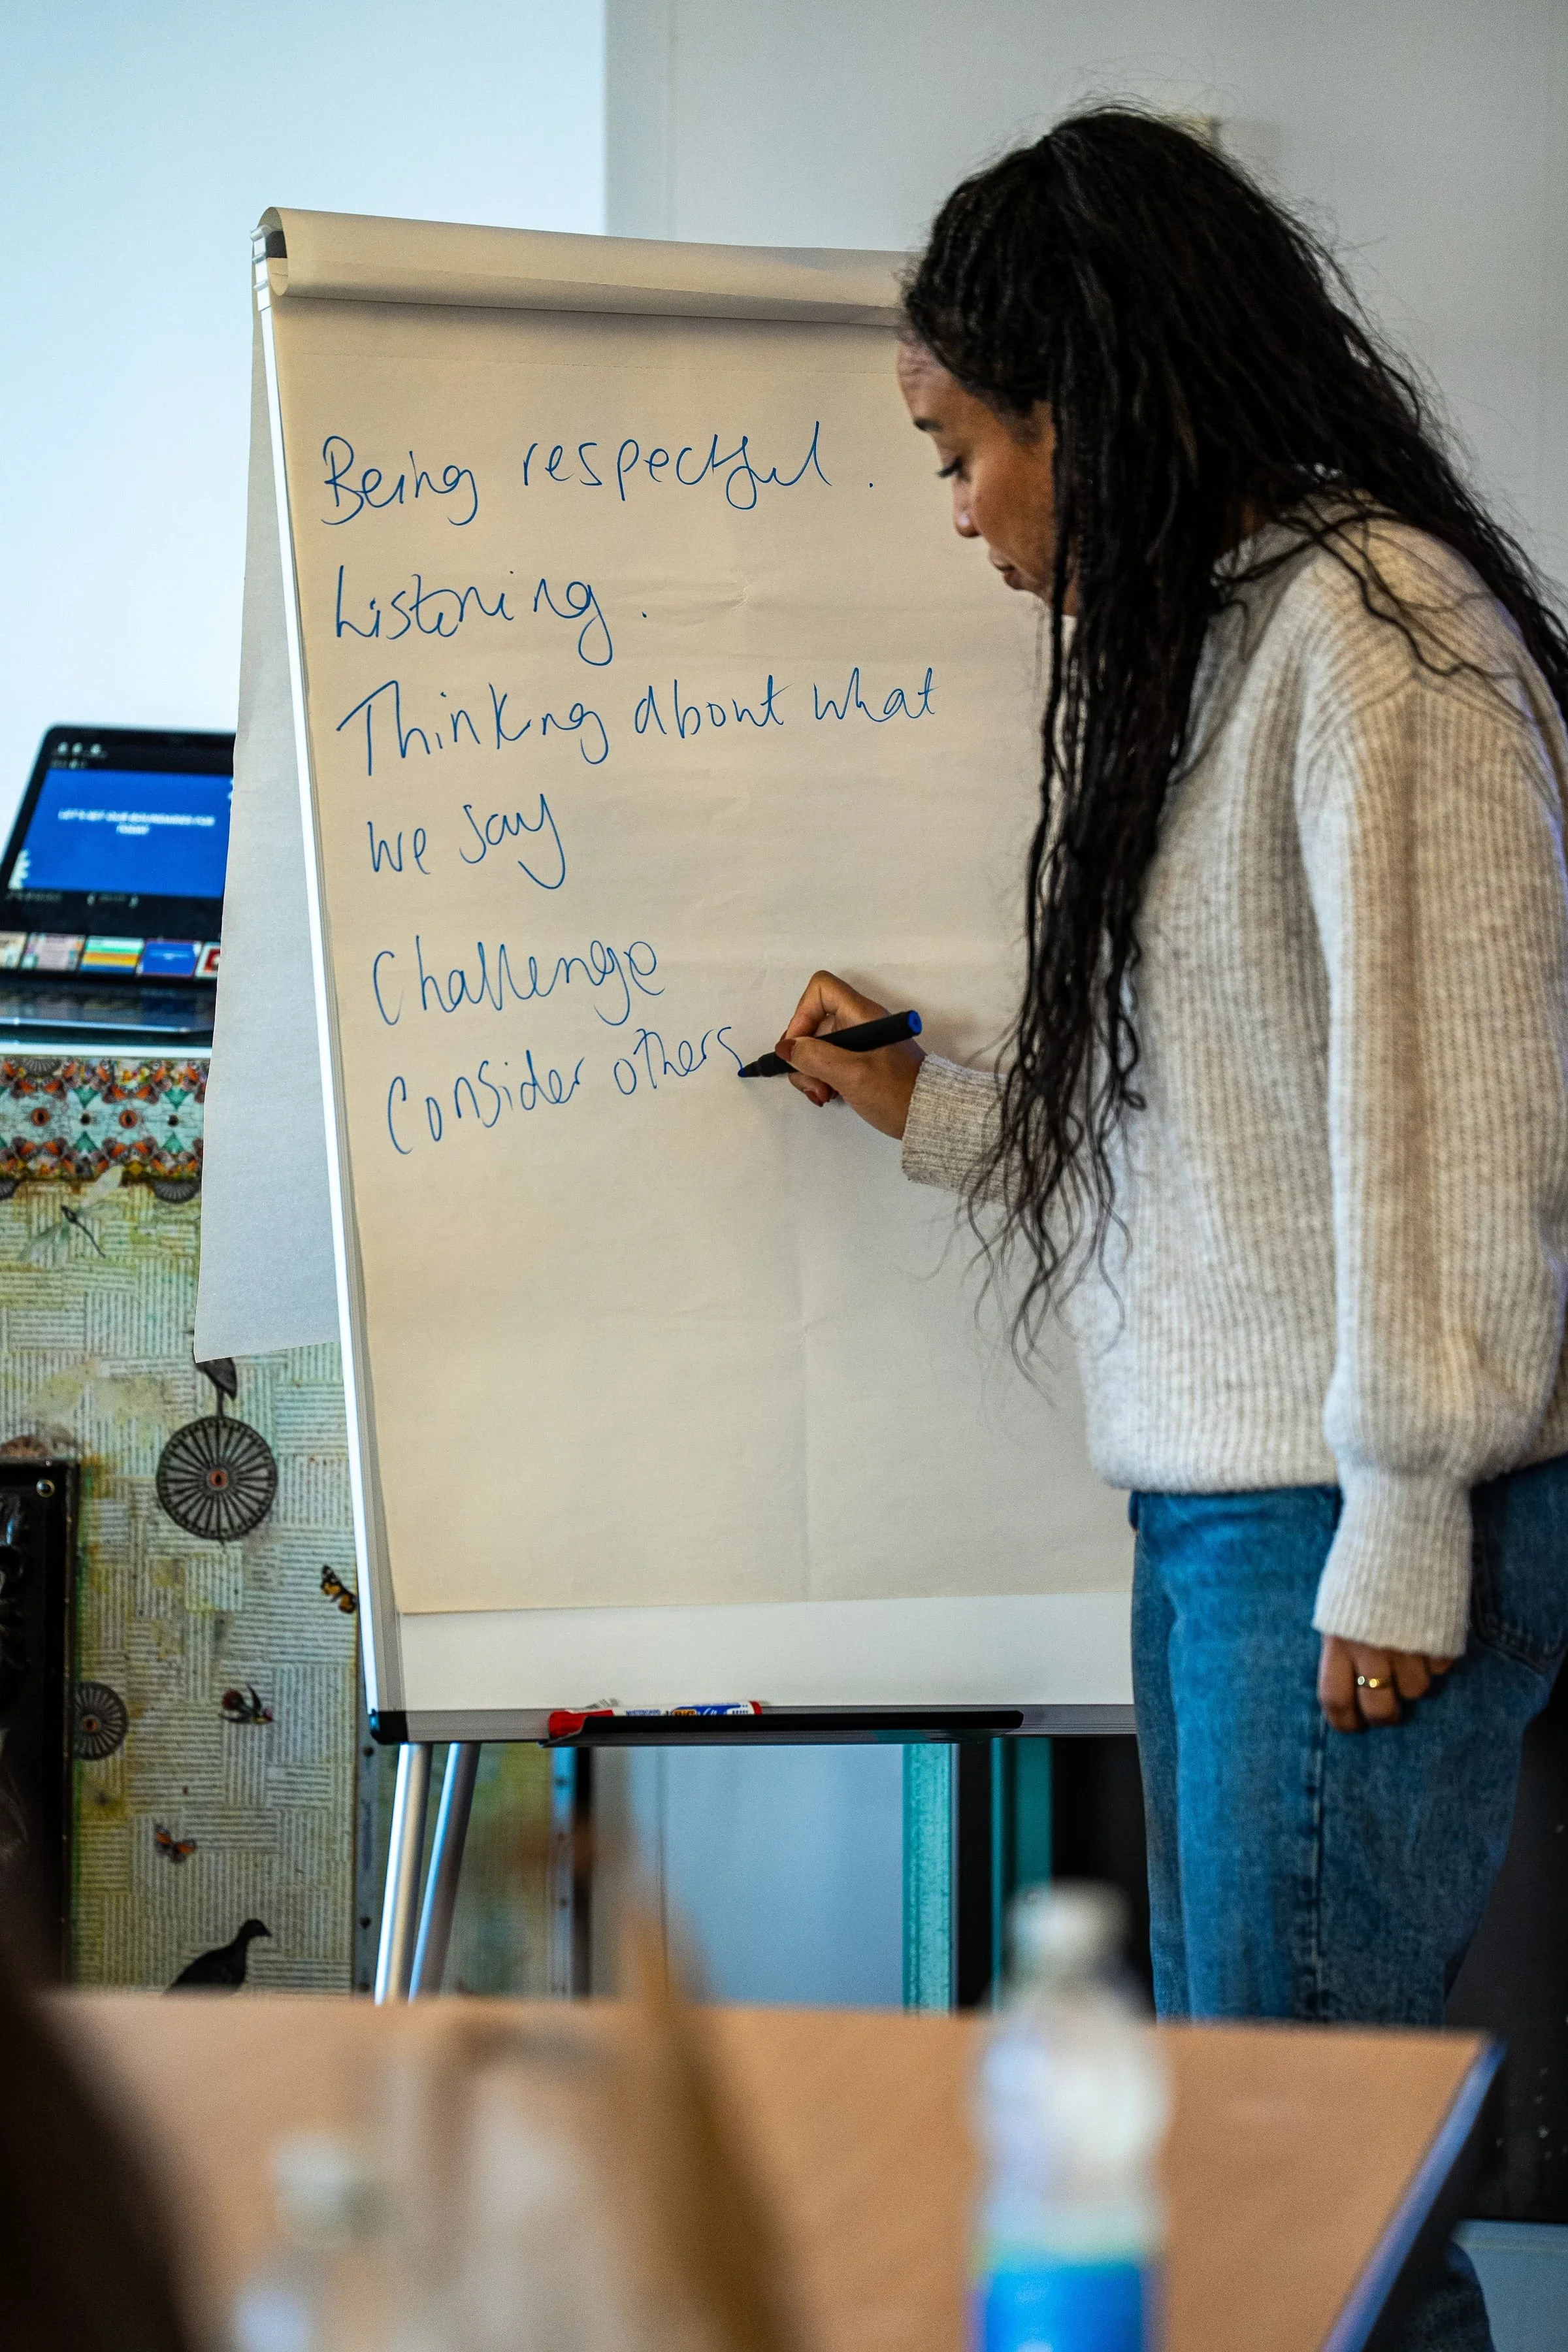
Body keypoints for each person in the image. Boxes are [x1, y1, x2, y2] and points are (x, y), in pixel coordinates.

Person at [774, 110, 1568, 2352]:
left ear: (1088, 400)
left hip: (1342, 1525)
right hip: (1240, 1523)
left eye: (962, 449)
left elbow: (1466, 1115)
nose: (958, 515)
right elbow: (1219, 1127)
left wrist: (1409, 1512)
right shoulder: (1219, 646)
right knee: (1265, 2189)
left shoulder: (1377, 632)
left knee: (1306, 2194)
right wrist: (920, 1099)